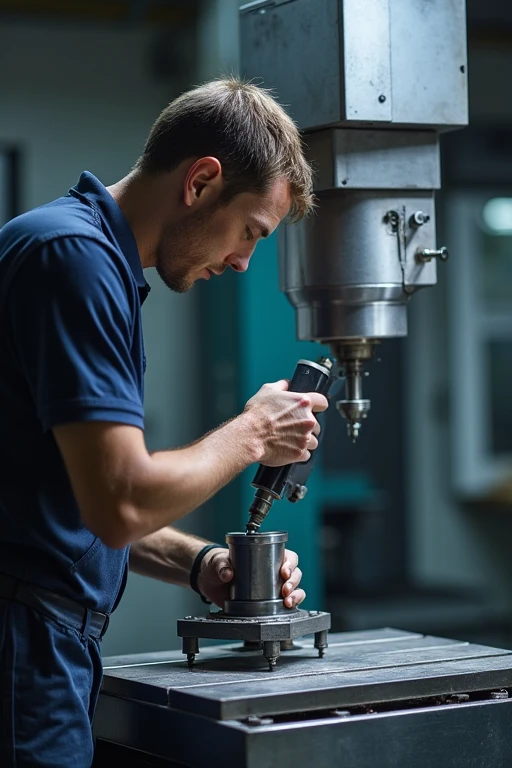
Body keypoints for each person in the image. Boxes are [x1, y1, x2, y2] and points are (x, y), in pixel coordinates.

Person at [0, 77, 328, 767]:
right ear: (201, 181)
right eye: (250, 232)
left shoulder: (91, 262)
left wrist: (202, 564)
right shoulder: (74, 259)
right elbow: (120, 503)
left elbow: (76, 500)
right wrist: (254, 433)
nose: (243, 261)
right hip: (24, 648)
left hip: (44, 644)